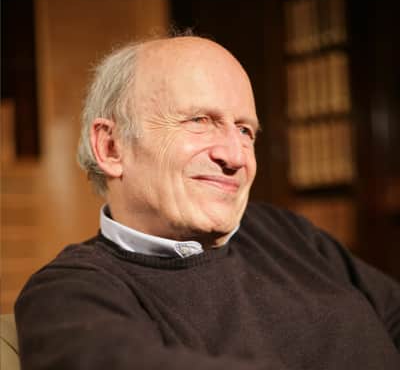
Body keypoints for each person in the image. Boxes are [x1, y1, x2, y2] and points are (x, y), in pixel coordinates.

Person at [15, 35, 400, 370]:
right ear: (112, 147)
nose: (235, 156)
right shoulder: (68, 292)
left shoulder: (284, 232)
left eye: (245, 130)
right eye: (199, 121)